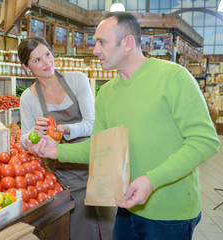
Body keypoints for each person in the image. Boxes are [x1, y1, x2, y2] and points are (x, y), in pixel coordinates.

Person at [25, 12, 220, 240]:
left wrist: (151, 181)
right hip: (125, 207)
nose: (95, 50)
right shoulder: (107, 92)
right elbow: (98, 148)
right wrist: (57, 150)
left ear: (128, 43)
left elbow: (205, 141)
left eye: (102, 42)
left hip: (169, 214)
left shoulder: (174, 77)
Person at [18, 36, 116, 240]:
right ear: (26, 67)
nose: (46, 63)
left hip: (94, 163)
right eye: (37, 60)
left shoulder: (77, 79)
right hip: (65, 173)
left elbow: (91, 123)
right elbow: (24, 137)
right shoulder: (28, 97)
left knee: (109, 223)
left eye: (47, 54)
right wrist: (34, 135)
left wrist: (63, 129)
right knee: (80, 228)